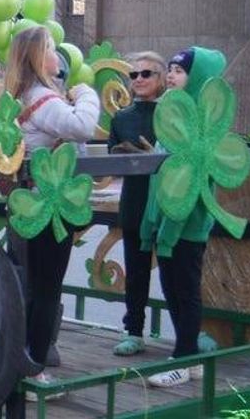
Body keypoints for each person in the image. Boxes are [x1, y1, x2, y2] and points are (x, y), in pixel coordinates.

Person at [4, 26, 100, 389]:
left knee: (33, 285)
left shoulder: (18, 96)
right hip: (49, 205)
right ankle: (35, 367)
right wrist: (87, 93)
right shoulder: (43, 98)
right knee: (47, 287)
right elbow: (83, 126)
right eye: (48, 48)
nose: (55, 55)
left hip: (28, 201)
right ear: (35, 56)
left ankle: (24, 359)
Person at [140, 47, 227, 387]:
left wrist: (170, 228)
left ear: (199, 79)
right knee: (172, 288)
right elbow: (159, 177)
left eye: (179, 70)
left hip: (186, 224)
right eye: (171, 69)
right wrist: (154, 223)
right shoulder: (173, 118)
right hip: (167, 222)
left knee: (184, 289)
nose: (171, 76)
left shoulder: (202, 124)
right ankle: (187, 355)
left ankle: (184, 357)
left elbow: (192, 181)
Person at [107, 52, 164, 356]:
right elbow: (111, 164)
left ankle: (188, 334)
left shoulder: (173, 114)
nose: (139, 79)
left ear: (162, 79)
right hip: (135, 201)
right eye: (134, 75)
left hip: (168, 203)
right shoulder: (121, 118)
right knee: (136, 269)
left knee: (175, 271)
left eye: (147, 73)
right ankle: (134, 330)